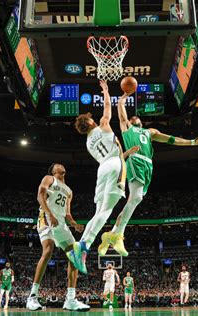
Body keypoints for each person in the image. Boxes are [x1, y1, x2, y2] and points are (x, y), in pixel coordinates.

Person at [98, 93, 198, 256]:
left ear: (141, 121)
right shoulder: (127, 128)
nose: (133, 117)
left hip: (148, 165)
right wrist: (121, 101)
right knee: (135, 198)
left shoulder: (150, 132)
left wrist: (192, 142)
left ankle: (111, 234)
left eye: (136, 117)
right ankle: (118, 235)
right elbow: (122, 115)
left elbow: (171, 139)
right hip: (135, 161)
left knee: (135, 201)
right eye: (132, 116)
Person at [73, 80, 139, 272]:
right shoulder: (102, 124)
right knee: (106, 212)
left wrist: (125, 154)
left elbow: (111, 154)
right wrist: (105, 91)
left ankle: (82, 244)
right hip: (114, 165)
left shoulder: (87, 143)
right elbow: (108, 107)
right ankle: (84, 245)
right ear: (91, 122)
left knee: (99, 211)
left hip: (102, 170)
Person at [26, 163, 90, 311]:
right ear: (54, 171)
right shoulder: (49, 178)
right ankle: (32, 297)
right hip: (46, 217)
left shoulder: (69, 190)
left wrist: (74, 224)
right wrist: (49, 214)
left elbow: (67, 213)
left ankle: (71, 299)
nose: (61, 165)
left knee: (75, 255)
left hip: (61, 222)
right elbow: (40, 195)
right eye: (57, 165)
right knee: (48, 251)